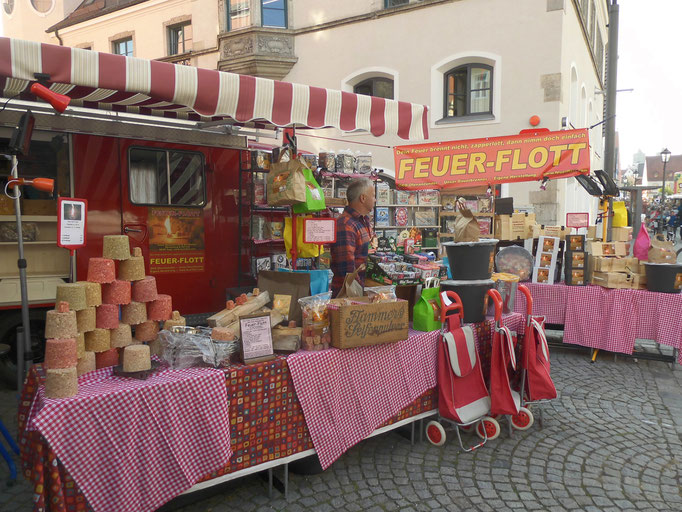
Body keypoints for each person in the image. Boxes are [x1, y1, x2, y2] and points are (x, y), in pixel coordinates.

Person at [330, 178, 375, 296]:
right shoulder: (346, 224)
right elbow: (346, 268)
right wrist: (360, 291)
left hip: (357, 289)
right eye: (373, 196)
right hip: (348, 293)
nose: (375, 200)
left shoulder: (362, 221)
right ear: (363, 198)